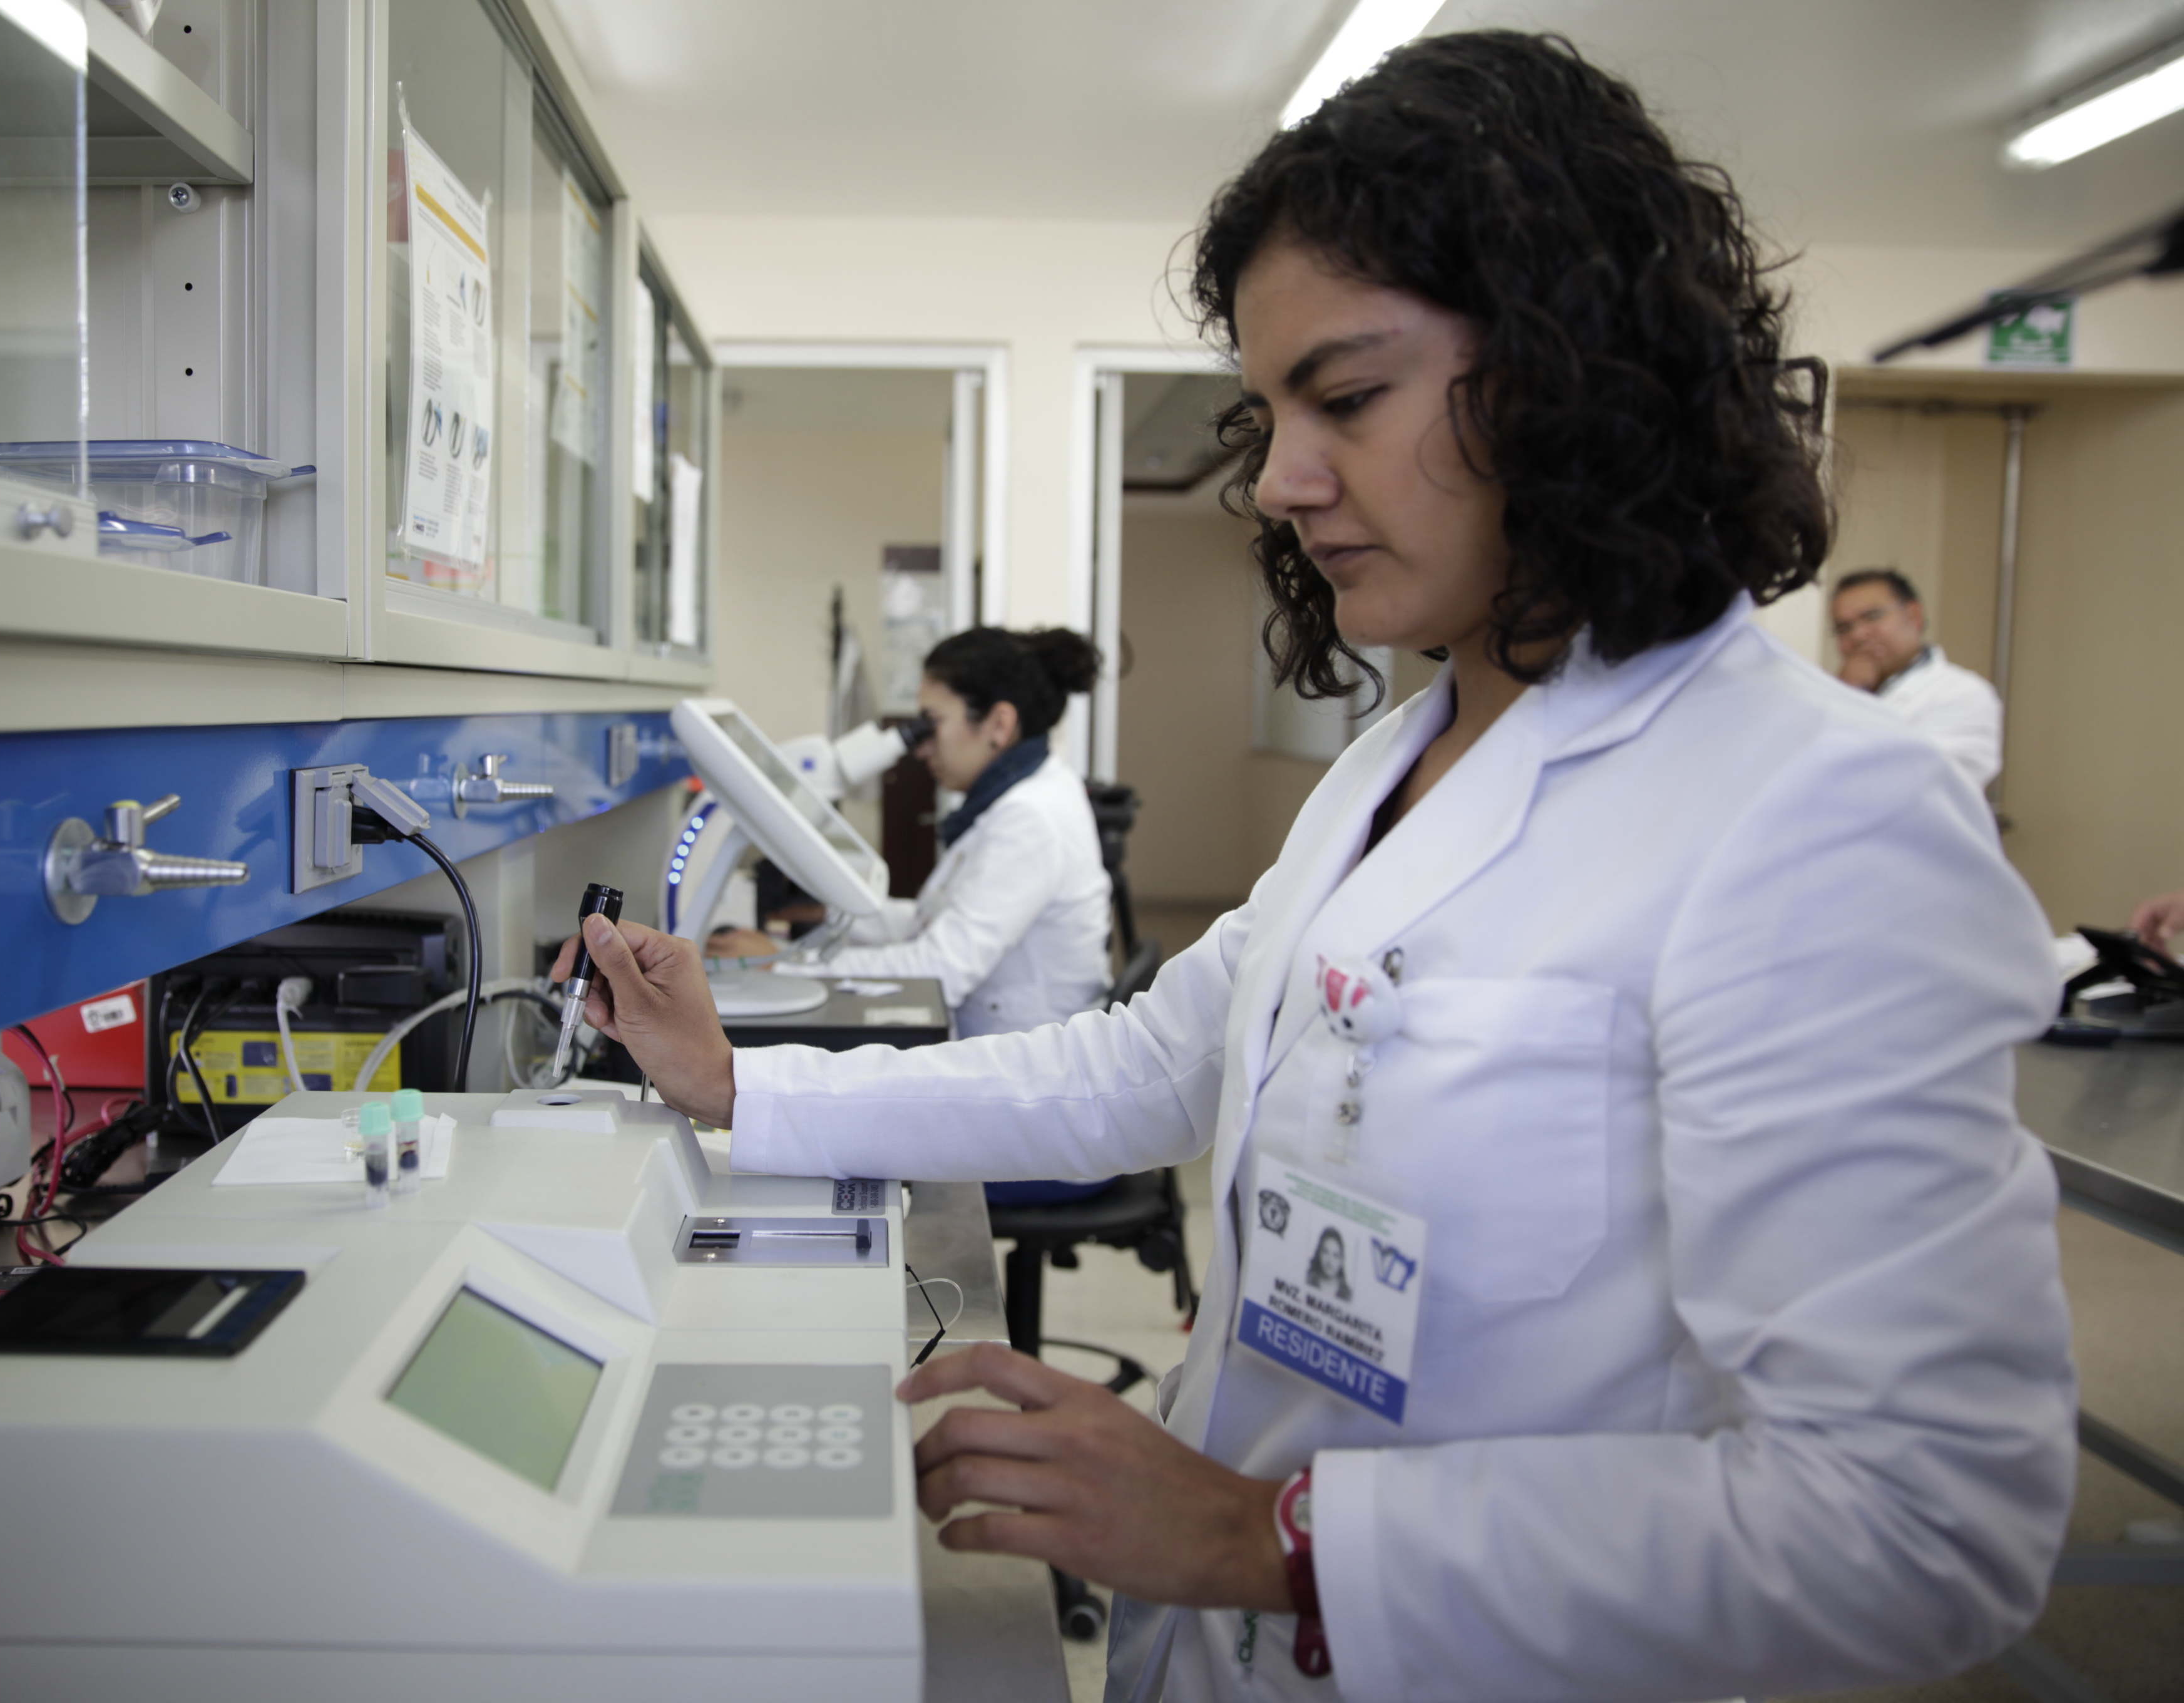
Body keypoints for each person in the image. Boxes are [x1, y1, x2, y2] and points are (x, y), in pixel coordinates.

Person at [557, 33, 2073, 1703]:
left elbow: (1923, 1525)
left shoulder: (1815, 810)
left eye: (1344, 399)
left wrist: (1271, 1541)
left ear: (1573, 374)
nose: (1278, 482)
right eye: (1268, 413)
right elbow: (1143, 1065)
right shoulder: (1397, 758)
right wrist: (742, 1088)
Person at [714, 626, 1114, 1042]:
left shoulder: (1031, 819)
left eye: (932, 723)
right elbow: (936, 921)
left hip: (1025, 1056)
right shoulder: (1025, 795)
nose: (921, 748)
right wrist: (832, 912)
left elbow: (939, 969)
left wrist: (783, 964)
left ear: (999, 724)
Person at [1830, 567, 2005, 788]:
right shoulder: (1834, 694)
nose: (1857, 635)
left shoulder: (1964, 693)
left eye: (1872, 617)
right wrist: (1842, 696)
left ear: (1914, 616)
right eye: (1843, 628)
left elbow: (1928, 783)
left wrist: (1847, 704)